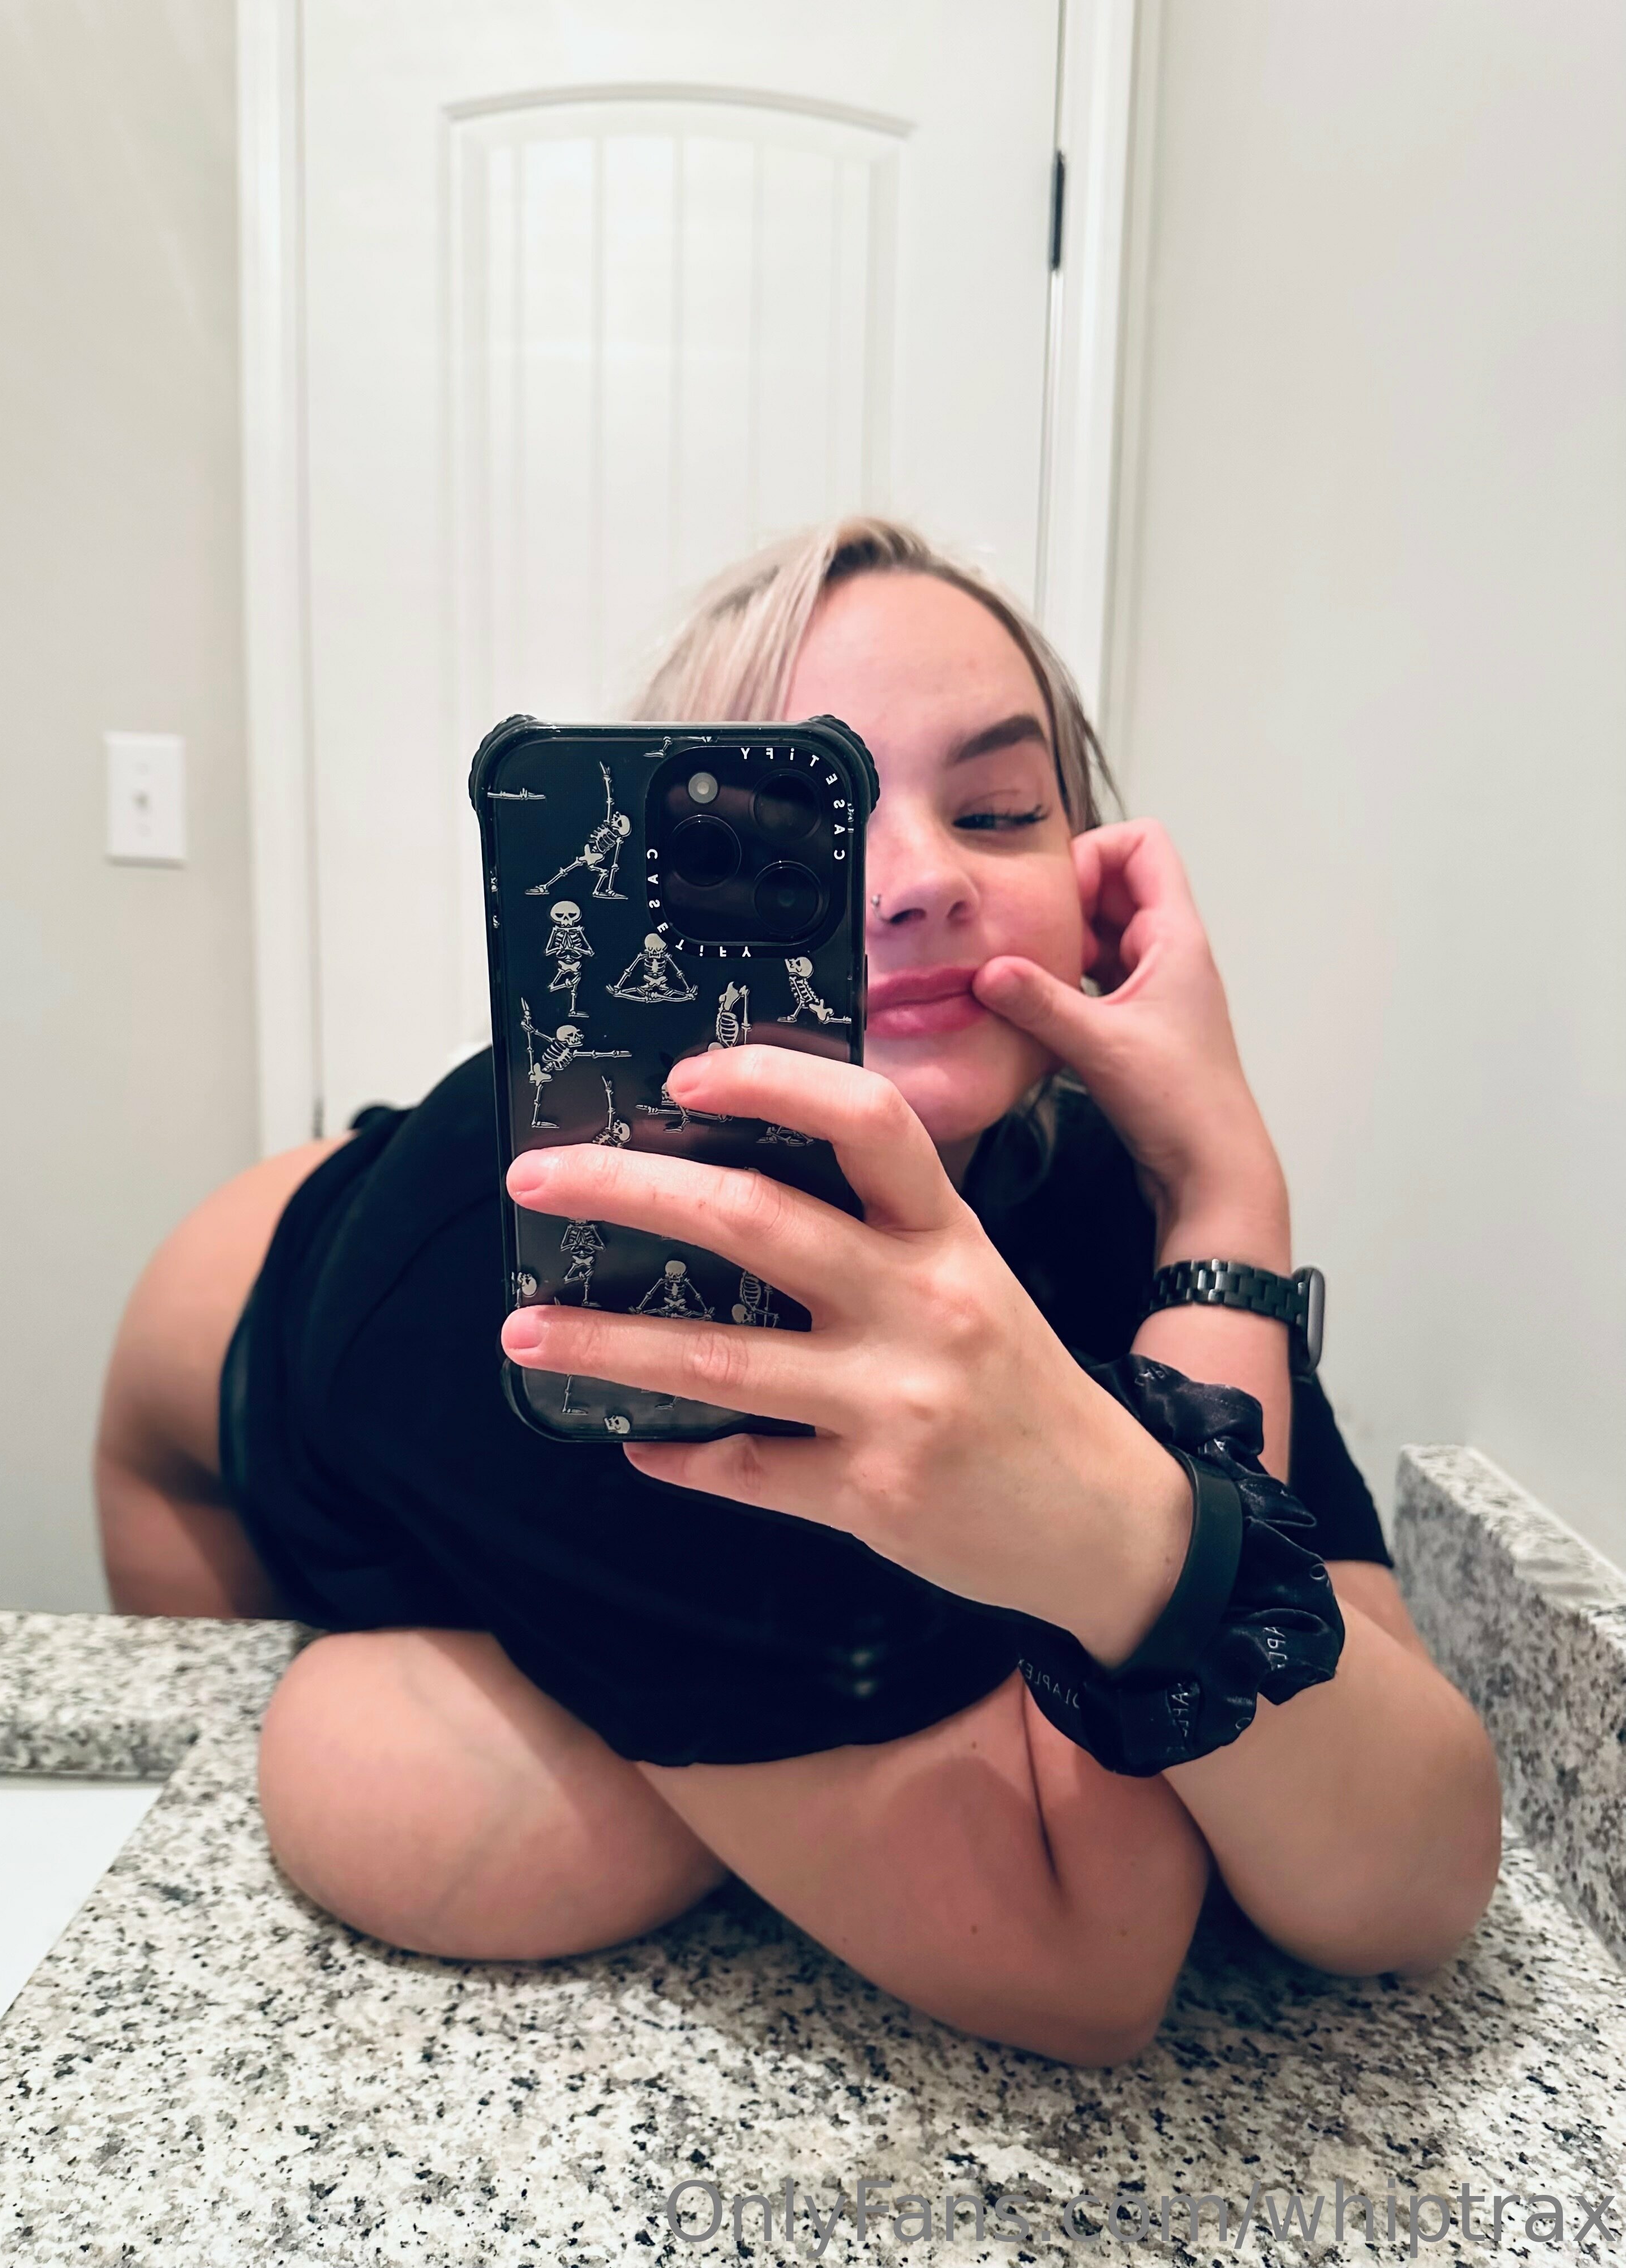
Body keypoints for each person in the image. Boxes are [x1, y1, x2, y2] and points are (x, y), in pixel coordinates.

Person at [94, 518, 1501, 2068]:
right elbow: (1089, 1966)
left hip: (415, 1278)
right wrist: (1128, 1562)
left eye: (999, 810)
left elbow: (1408, 1878)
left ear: (1093, 882)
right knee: (465, 1811)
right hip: (231, 1412)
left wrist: (1222, 1200)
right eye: (787, 829)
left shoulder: (1101, 1164)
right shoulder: (594, 1264)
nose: (920, 880)